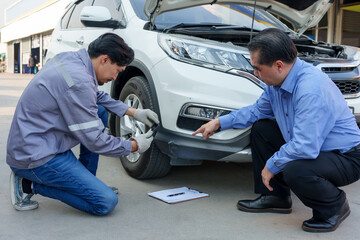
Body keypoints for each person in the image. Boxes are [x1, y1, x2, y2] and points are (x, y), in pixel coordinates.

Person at [193, 28, 360, 232]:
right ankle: (276, 197)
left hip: (346, 157)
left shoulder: (310, 89)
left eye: (257, 68)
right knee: (263, 128)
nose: (255, 73)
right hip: (318, 148)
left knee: (296, 169)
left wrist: (272, 165)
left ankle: (334, 206)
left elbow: (305, 146)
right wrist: (219, 122)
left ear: (278, 65)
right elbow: (256, 111)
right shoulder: (277, 84)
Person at [7, 33, 159, 215]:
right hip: (35, 156)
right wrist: (134, 146)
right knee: (105, 202)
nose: (115, 77)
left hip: (41, 139)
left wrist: (134, 112)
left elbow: (95, 96)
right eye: (117, 70)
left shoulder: (73, 60)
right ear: (105, 59)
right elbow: (95, 141)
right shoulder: (78, 81)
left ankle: (86, 181)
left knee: (100, 111)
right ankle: (27, 185)